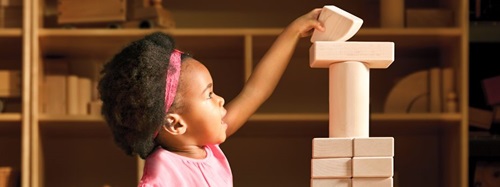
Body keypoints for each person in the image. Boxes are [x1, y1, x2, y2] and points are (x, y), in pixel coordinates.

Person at [98, 8, 324, 187]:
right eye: (209, 94)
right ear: (176, 123)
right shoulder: (161, 176)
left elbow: (256, 92)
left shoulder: (205, 146)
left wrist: (293, 32)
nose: (221, 100)